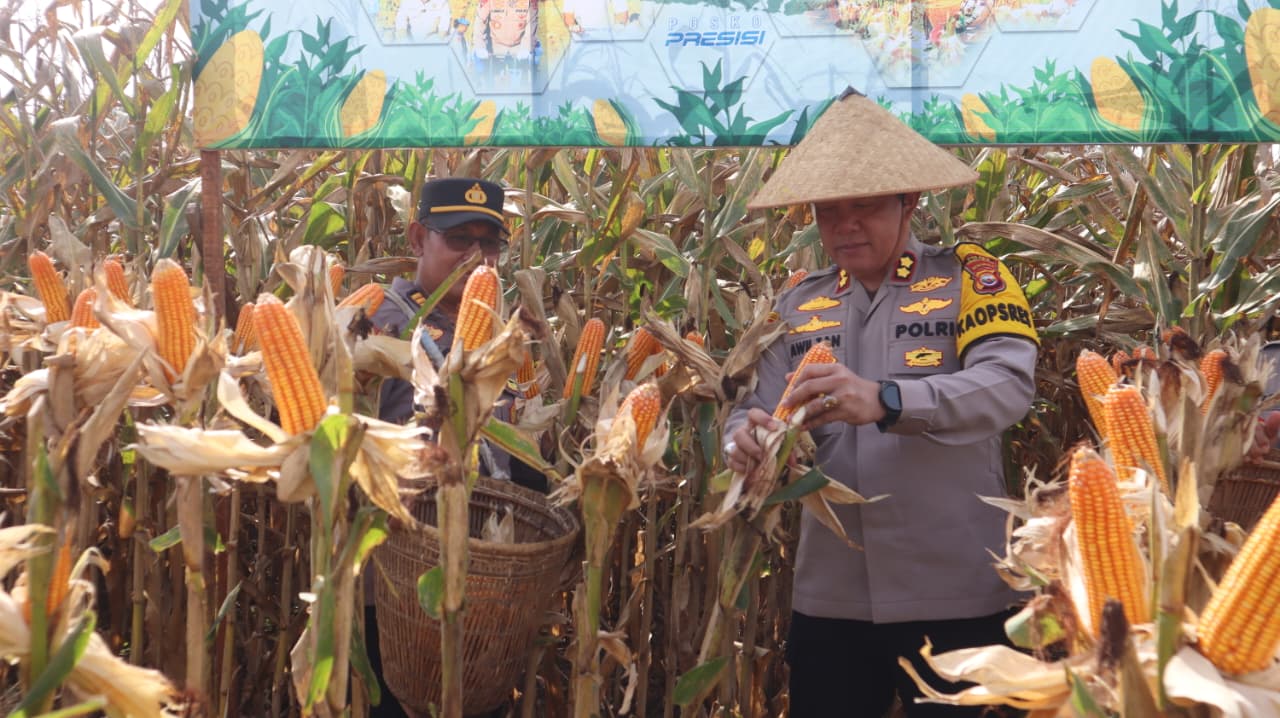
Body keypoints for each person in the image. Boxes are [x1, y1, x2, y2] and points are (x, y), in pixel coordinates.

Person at [726, 89, 1040, 717]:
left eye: (865, 207)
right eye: (828, 211)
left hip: (959, 597)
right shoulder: (796, 304)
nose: (844, 226)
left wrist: (888, 399)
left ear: (909, 202)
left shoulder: (971, 280)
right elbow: (750, 406)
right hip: (831, 598)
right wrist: (745, 439)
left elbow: (1008, 385)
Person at [364, 176, 547, 717]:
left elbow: (526, 446)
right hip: (400, 583)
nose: (477, 257)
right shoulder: (383, 322)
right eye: (458, 240)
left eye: (488, 243)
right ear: (418, 238)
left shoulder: (502, 336)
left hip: (487, 580)